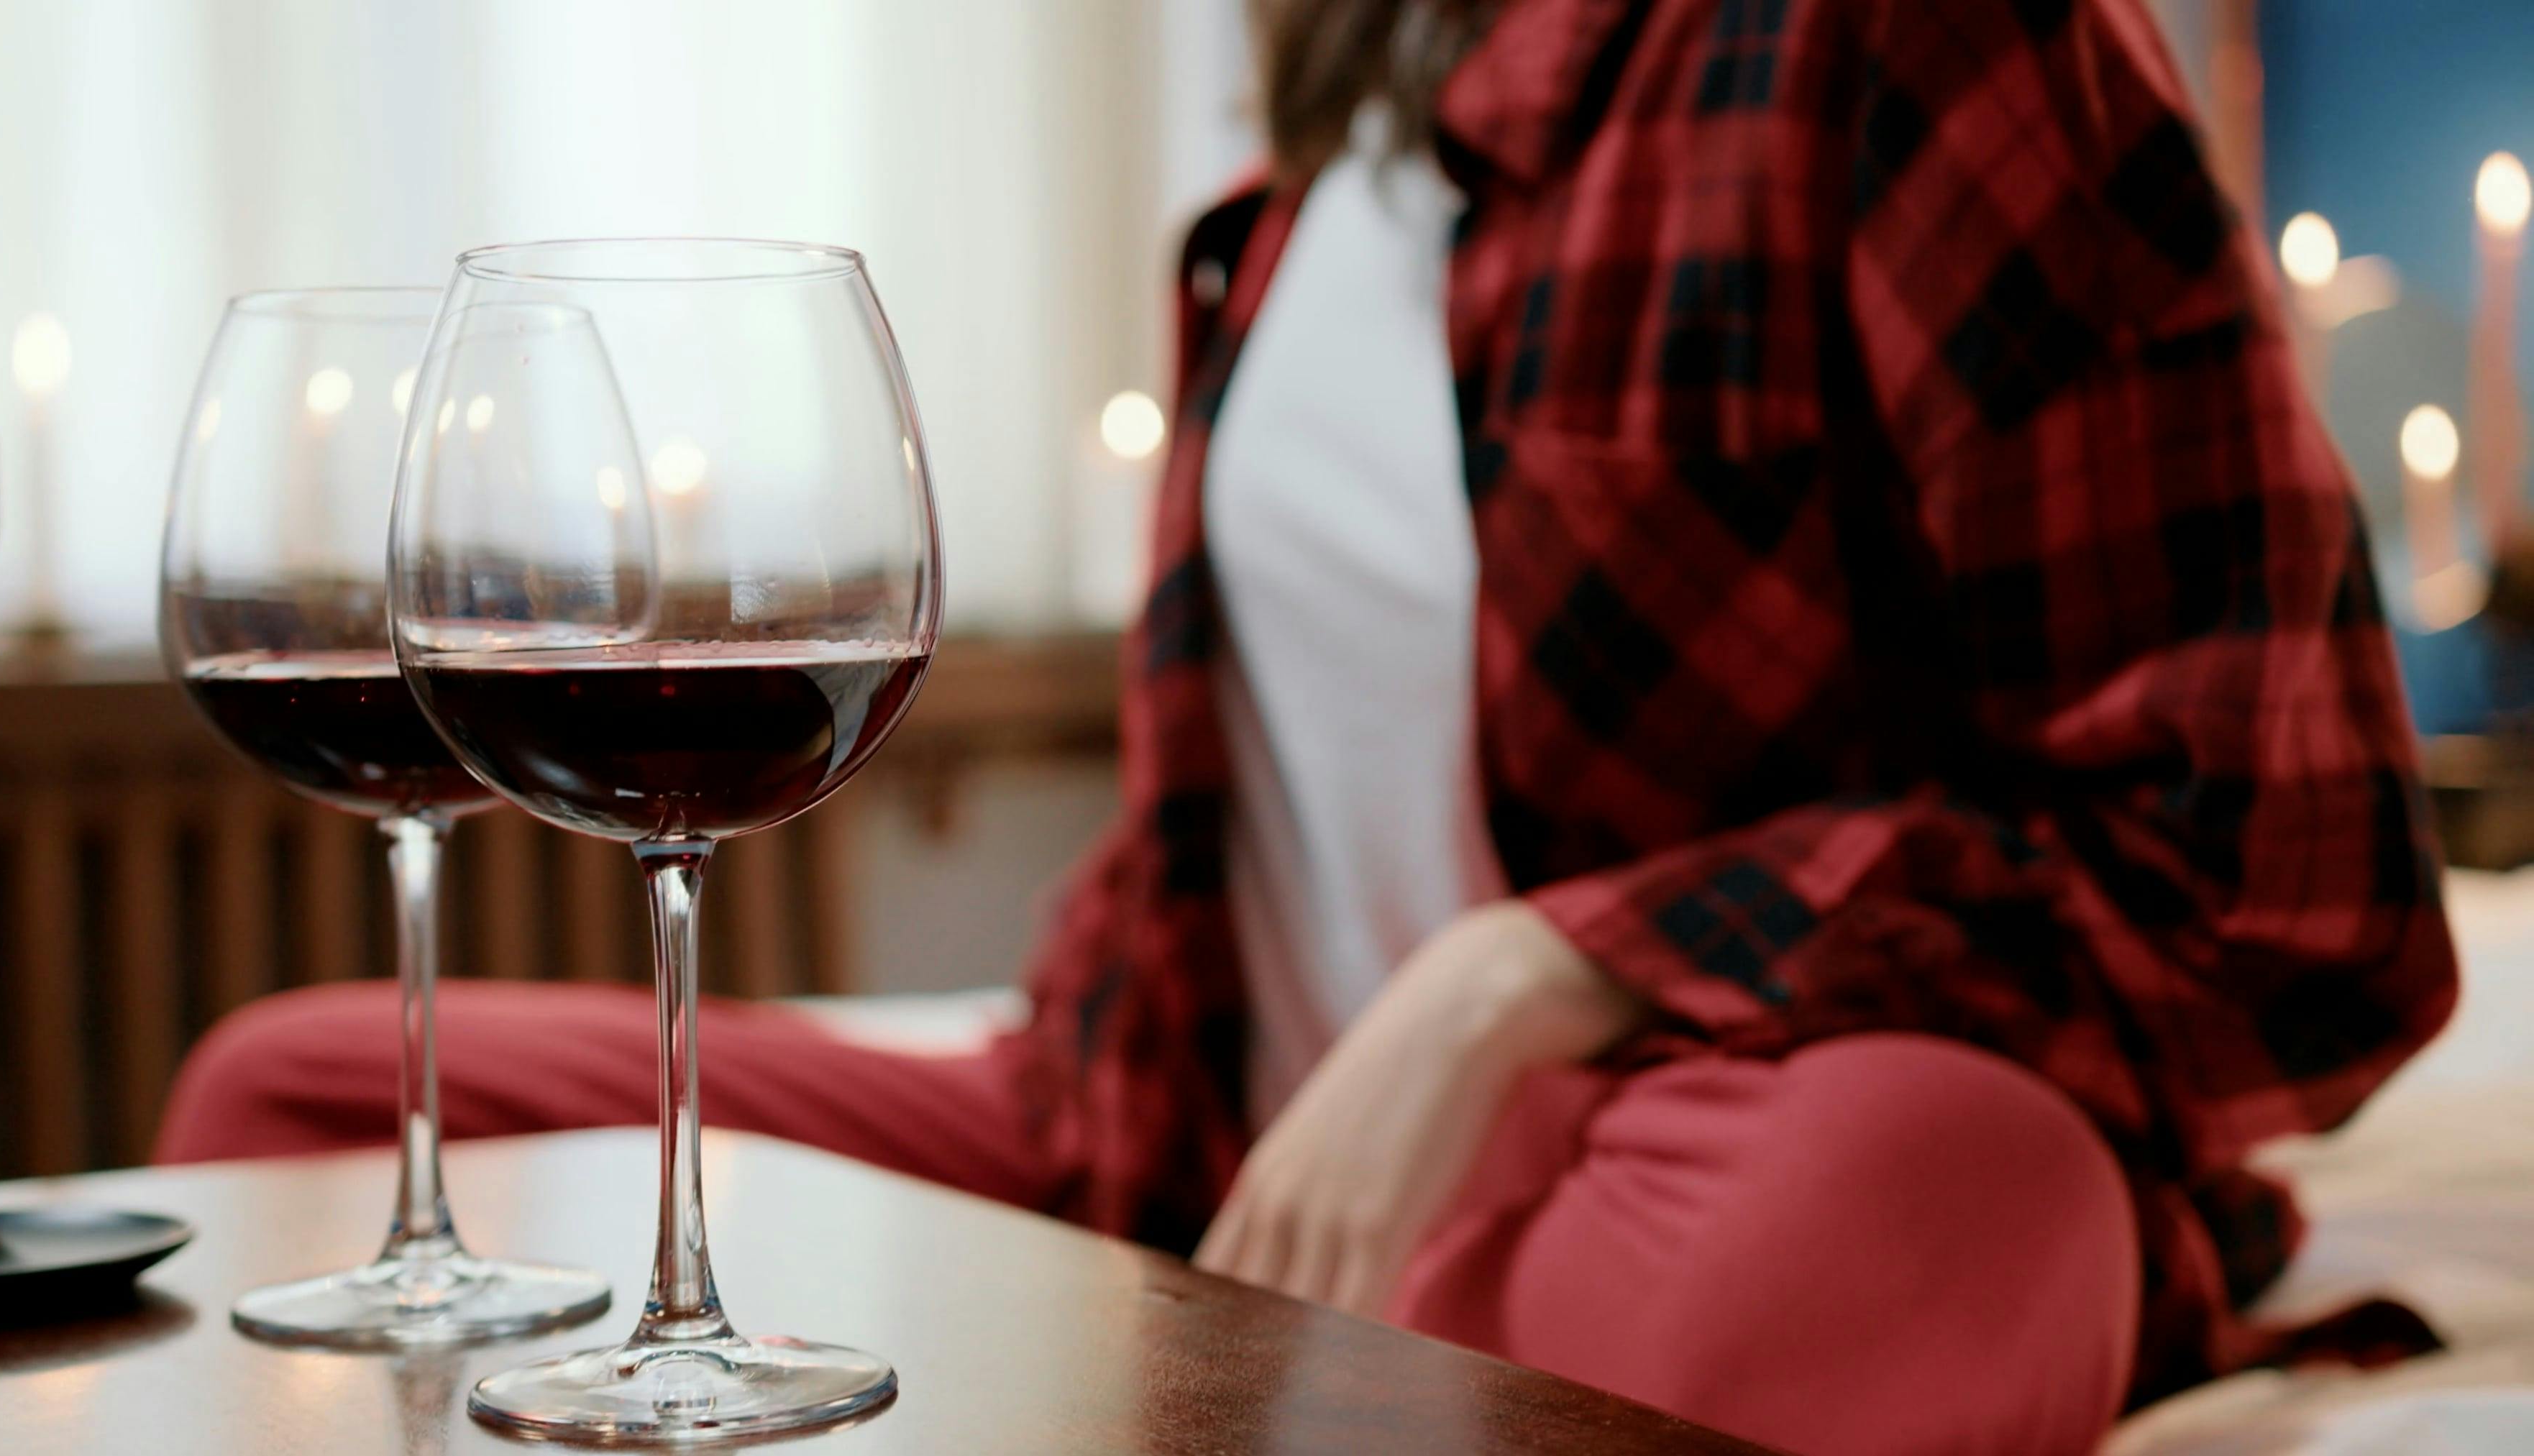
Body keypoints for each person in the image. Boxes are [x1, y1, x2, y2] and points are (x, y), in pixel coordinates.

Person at [158, 0, 2459, 1450]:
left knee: (1898, 1218)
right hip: (1194, 1155)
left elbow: (2284, 877)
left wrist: (1533, 967)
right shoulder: (1280, 215)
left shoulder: (1926, 49)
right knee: (306, 1098)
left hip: (1714, 1137)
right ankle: (1172, 1357)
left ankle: (1161, 1373)